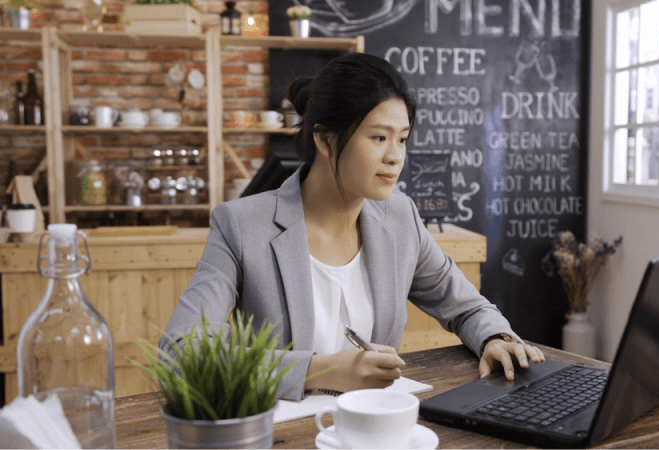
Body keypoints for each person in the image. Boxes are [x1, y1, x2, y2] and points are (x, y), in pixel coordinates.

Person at [159, 52, 545, 400]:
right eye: (379, 137)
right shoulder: (241, 225)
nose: (395, 157)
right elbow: (179, 351)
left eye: (403, 139)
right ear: (326, 140)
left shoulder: (401, 218)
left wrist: (495, 337)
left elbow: (467, 307)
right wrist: (320, 370)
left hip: (377, 429)